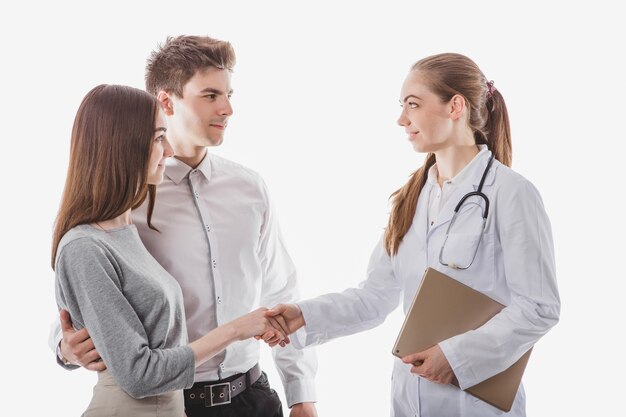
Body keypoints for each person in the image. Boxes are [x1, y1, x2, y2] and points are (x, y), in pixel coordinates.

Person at [266, 53, 561, 417]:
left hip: (475, 405)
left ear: (455, 106)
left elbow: (539, 307)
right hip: (409, 398)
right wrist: (304, 316)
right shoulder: (411, 197)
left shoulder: (511, 193)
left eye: (413, 105)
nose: (402, 119)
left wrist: (455, 358)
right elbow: (375, 296)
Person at [49, 36, 318, 417]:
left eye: (228, 94)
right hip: (172, 401)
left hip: (252, 396)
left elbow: (282, 290)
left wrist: (301, 394)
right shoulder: (125, 204)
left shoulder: (250, 188)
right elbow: (88, 299)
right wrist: (64, 349)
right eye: (210, 95)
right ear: (165, 101)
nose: (227, 108)